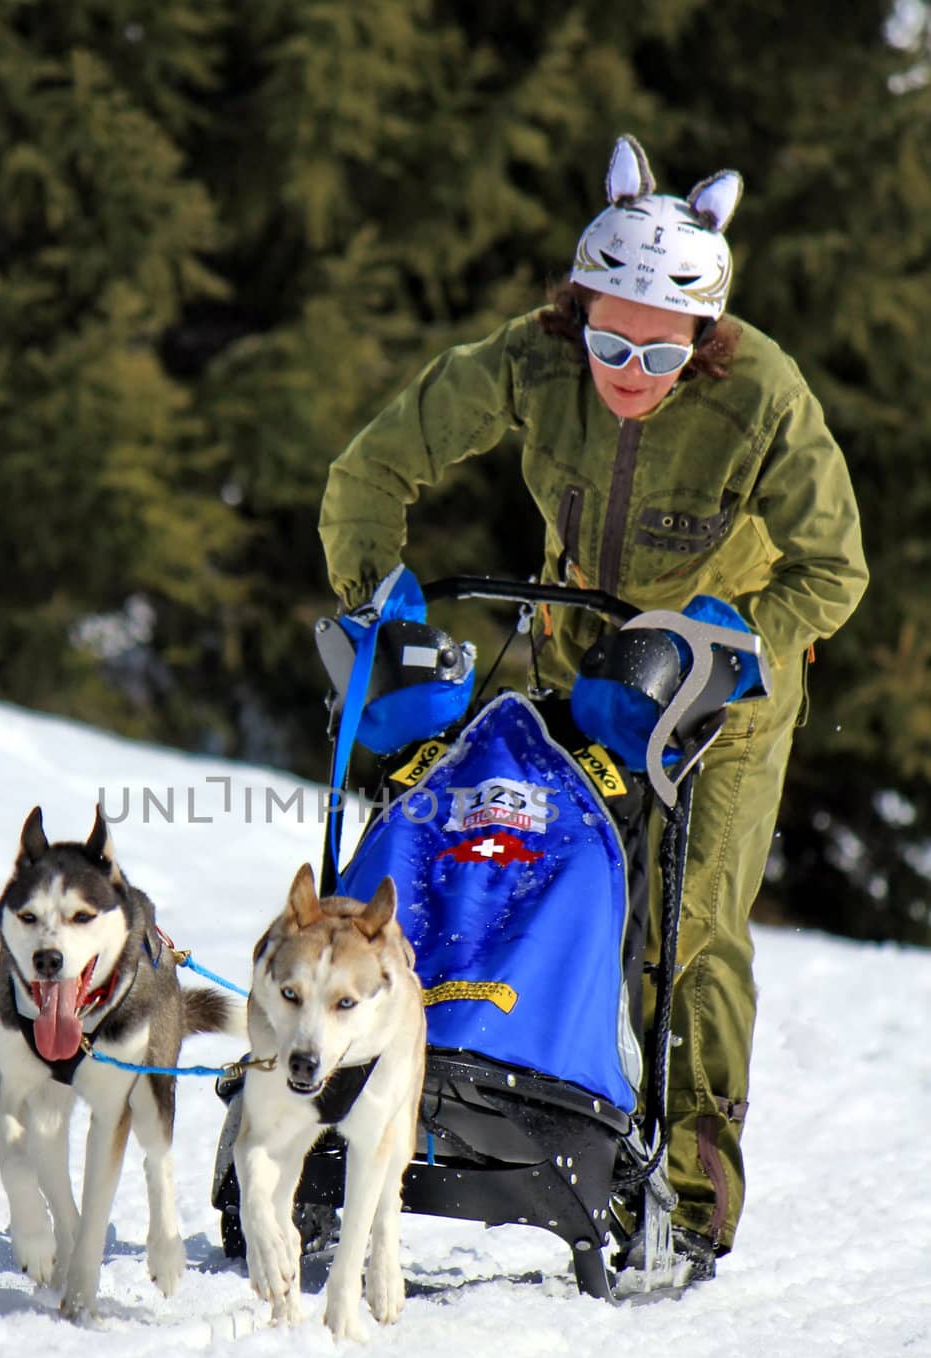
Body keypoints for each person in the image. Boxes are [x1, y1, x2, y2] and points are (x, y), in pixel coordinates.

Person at [317, 134, 868, 1277]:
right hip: (579, 668)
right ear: (579, 311)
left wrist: (723, 649)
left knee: (686, 929)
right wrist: (382, 606)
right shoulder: (529, 360)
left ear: (702, 345)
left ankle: (689, 1186)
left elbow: (831, 570)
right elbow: (369, 472)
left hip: (723, 695)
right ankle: (461, 1100)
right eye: (609, 338)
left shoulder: (763, 393)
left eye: (659, 354)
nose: (628, 370)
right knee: (513, 871)